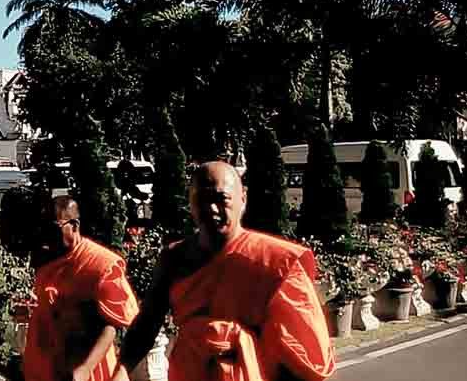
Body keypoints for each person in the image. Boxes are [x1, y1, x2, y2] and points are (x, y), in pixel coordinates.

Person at [114, 161, 335, 381]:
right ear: (190, 204)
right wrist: (121, 372)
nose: (211, 208)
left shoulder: (275, 262)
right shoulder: (174, 259)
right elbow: (146, 325)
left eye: (221, 199)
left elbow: (303, 352)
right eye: (202, 199)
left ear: (243, 199)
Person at [24, 196, 139, 381]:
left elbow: (111, 326)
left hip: (88, 371)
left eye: (53, 229)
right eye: (42, 229)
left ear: (75, 225)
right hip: (48, 368)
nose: (46, 237)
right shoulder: (48, 261)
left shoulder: (101, 265)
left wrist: (84, 369)